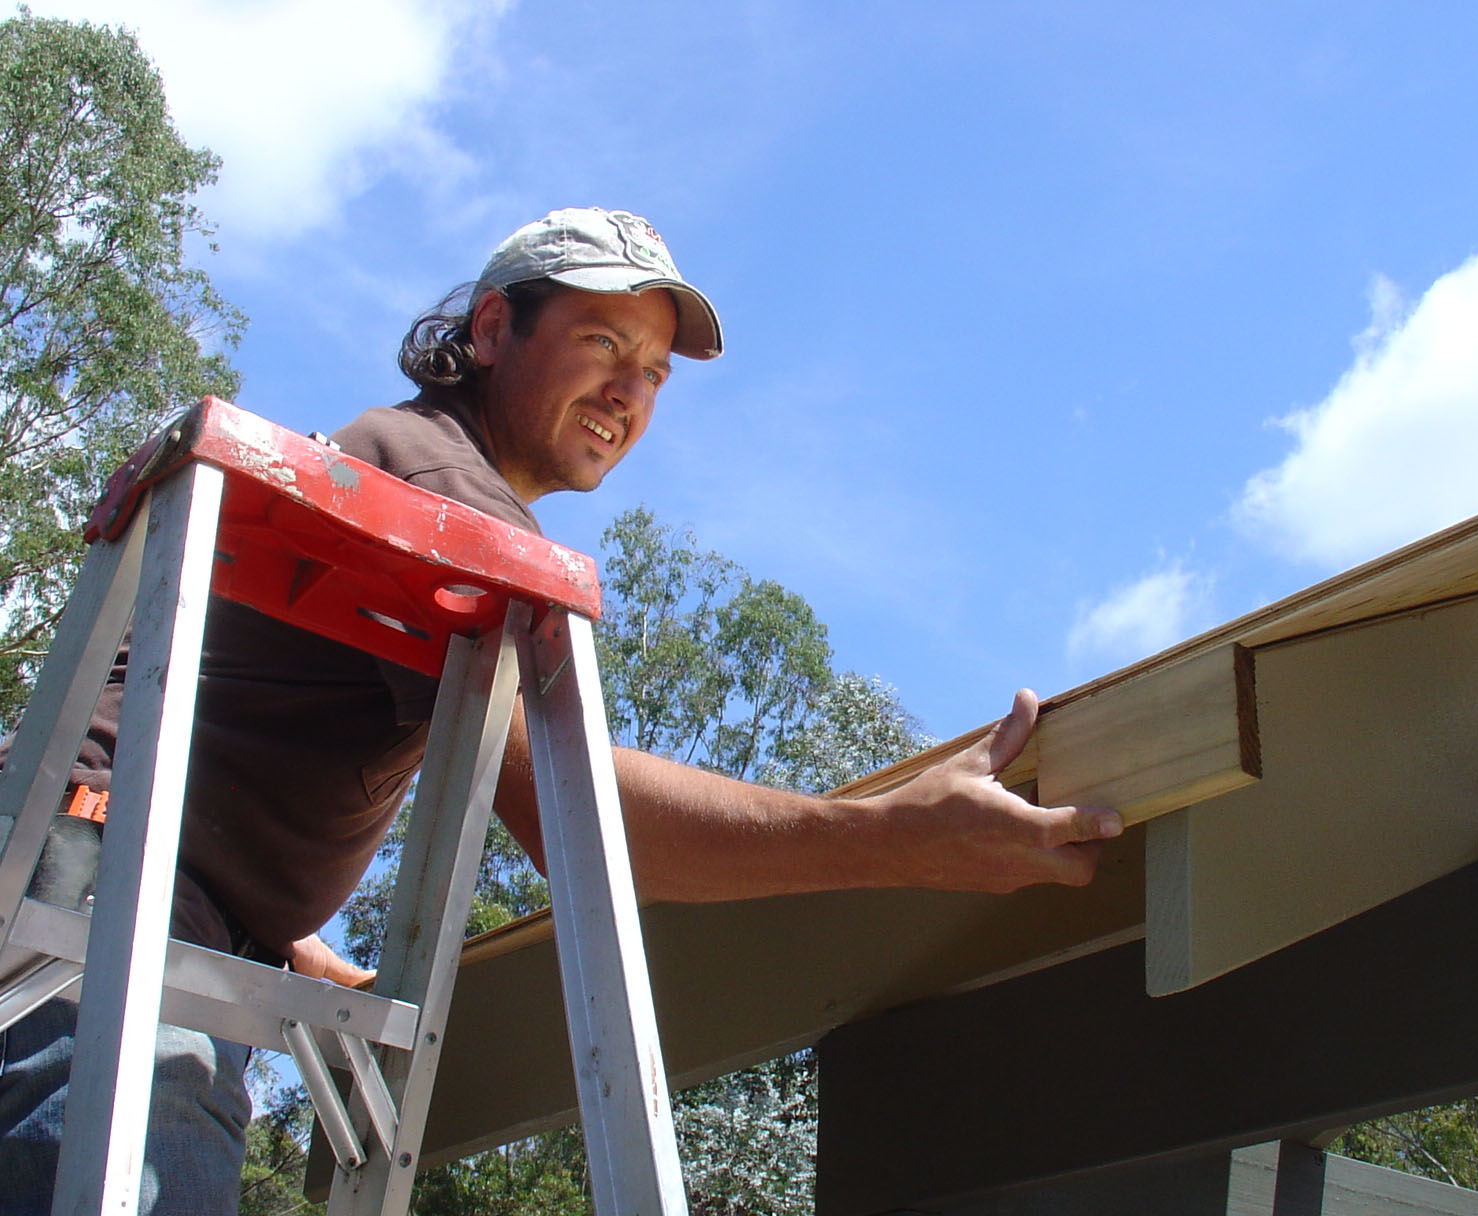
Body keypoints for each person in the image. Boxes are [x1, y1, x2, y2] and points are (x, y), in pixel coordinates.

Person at [0, 207, 1122, 1213]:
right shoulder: (438, 485)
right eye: (601, 343)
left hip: (122, 883)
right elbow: (573, 817)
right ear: (491, 330)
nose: (629, 392)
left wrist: (284, 934)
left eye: (653, 373)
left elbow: (208, 710)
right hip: (96, 897)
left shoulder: (401, 467)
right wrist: (894, 838)